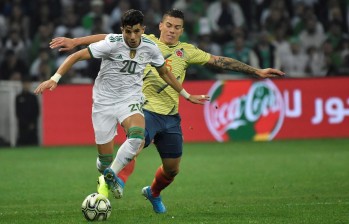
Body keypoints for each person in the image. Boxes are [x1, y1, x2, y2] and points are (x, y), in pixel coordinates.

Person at [49, 9, 285, 214]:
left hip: (171, 117)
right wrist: (77, 41)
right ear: (160, 26)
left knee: (172, 170)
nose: (172, 31)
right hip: (144, 107)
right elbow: (109, 38)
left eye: (177, 28)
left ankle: (153, 192)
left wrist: (256, 71)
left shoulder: (187, 51)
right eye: (169, 25)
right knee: (137, 142)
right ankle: (112, 183)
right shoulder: (145, 39)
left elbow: (219, 61)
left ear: (182, 30)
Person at [35, 9, 208, 201]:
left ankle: (111, 177)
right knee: (104, 161)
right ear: (122, 31)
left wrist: (185, 94)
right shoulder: (112, 44)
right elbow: (76, 56)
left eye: (136, 31)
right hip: (103, 103)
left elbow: (164, 73)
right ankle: (106, 170)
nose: (132, 37)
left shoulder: (150, 47)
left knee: (137, 136)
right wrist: (55, 78)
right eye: (128, 32)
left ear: (143, 29)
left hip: (130, 100)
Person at [16, 77, 40, 146]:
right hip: (22, 126)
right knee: (22, 144)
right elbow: (18, 113)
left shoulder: (33, 97)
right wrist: (26, 123)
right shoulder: (18, 97)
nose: (26, 85)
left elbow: (36, 111)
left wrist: (32, 123)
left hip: (33, 126)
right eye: (25, 84)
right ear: (22, 85)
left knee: (33, 143)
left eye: (28, 84)